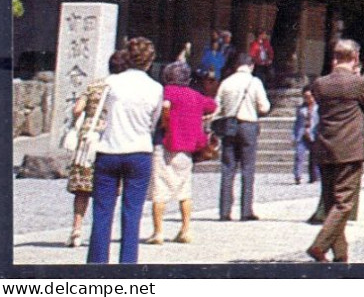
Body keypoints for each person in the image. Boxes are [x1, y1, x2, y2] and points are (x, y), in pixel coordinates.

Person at [87, 36, 163, 264]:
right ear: (150, 61)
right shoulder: (155, 88)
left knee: (102, 212)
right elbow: (154, 121)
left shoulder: (112, 83)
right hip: (139, 150)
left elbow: (102, 113)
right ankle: (127, 265)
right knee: (132, 213)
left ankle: (97, 265)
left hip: (109, 149)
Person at [306, 39, 364, 263]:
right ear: (355, 57)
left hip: (325, 146)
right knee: (344, 202)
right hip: (349, 149)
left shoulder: (320, 83)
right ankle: (319, 246)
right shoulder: (357, 83)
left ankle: (340, 254)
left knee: (331, 203)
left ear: (334, 57)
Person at [147, 61, 216, 245]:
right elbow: (212, 106)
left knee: (160, 189)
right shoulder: (195, 95)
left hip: (164, 144)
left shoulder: (165, 93)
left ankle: (158, 232)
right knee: (184, 190)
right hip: (187, 148)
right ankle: (185, 229)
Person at [66, 50, 126, 248]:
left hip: (87, 138)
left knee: (82, 189)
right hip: (108, 135)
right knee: (107, 187)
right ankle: (101, 231)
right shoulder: (123, 88)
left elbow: (77, 109)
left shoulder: (94, 85)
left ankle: (76, 229)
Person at [213, 52, 271, 221]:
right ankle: (246, 210)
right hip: (248, 125)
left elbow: (217, 107)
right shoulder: (254, 82)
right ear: (251, 66)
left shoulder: (226, 83)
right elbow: (264, 107)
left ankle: (224, 211)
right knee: (247, 168)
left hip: (230, 125)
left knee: (228, 168)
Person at [294, 88, 320, 185]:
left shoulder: (318, 108)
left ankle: (314, 177)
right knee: (299, 155)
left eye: (309, 97)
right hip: (302, 134)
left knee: (314, 157)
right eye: (305, 97)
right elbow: (297, 123)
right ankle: (298, 176)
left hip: (314, 134)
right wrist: (294, 135)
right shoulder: (301, 109)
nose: (308, 99)